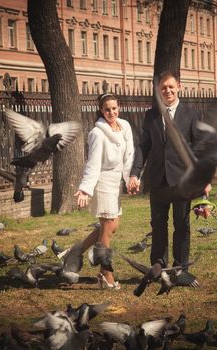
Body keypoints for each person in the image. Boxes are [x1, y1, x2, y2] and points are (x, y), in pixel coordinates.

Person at [127, 71, 211, 271]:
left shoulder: (191, 114)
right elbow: (143, 147)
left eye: (171, 87)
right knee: (158, 224)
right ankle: (158, 264)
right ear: (159, 90)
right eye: (163, 88)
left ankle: (181, 266)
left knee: (182, 225)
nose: (167, 91)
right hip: (157, 179)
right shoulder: (151, 115)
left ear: (179, 87)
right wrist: (134, 173)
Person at [74, 93, 134, 289]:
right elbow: (93, 164)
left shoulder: (125, 126)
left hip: (116, 184)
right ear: (101, 110)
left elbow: (129, 156)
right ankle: (106, 275)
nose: (111, 112)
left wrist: (130, 179)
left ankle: (76, 252)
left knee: (112, 227)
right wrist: (85, 189)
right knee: (107, 231)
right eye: (107, 109)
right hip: (102, 183)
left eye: (114, 108)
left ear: (119, 107)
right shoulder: (97, 134)